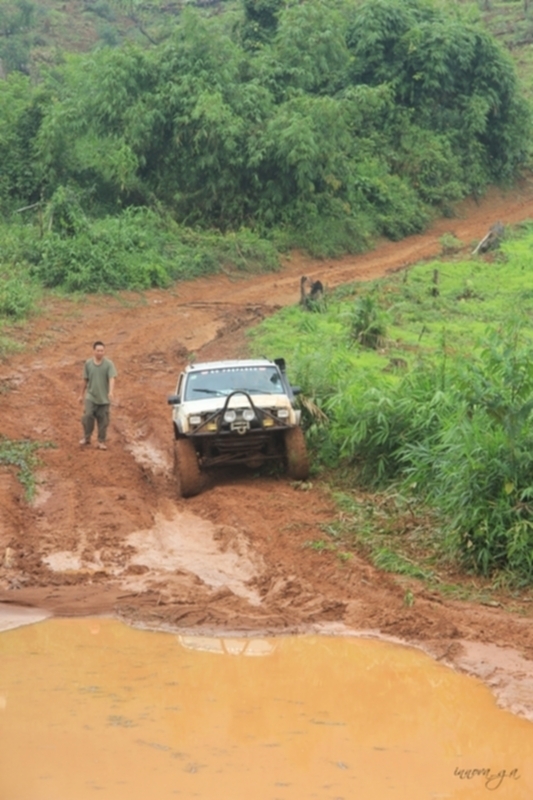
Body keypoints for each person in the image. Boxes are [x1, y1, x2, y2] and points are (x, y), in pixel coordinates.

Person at [79, 341, 117, 450]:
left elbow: (112, 378)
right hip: (91, 396)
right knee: (87, 416)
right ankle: (87, 438)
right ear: (93, 351)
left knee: (103, 420)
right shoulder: (88, 364)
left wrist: (111, 391)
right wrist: (81, 395)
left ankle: (101, 441)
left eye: (102, 351)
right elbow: (85, 380)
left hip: (104, 399)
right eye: (98, 351)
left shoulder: (109, 364)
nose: (100, 353)